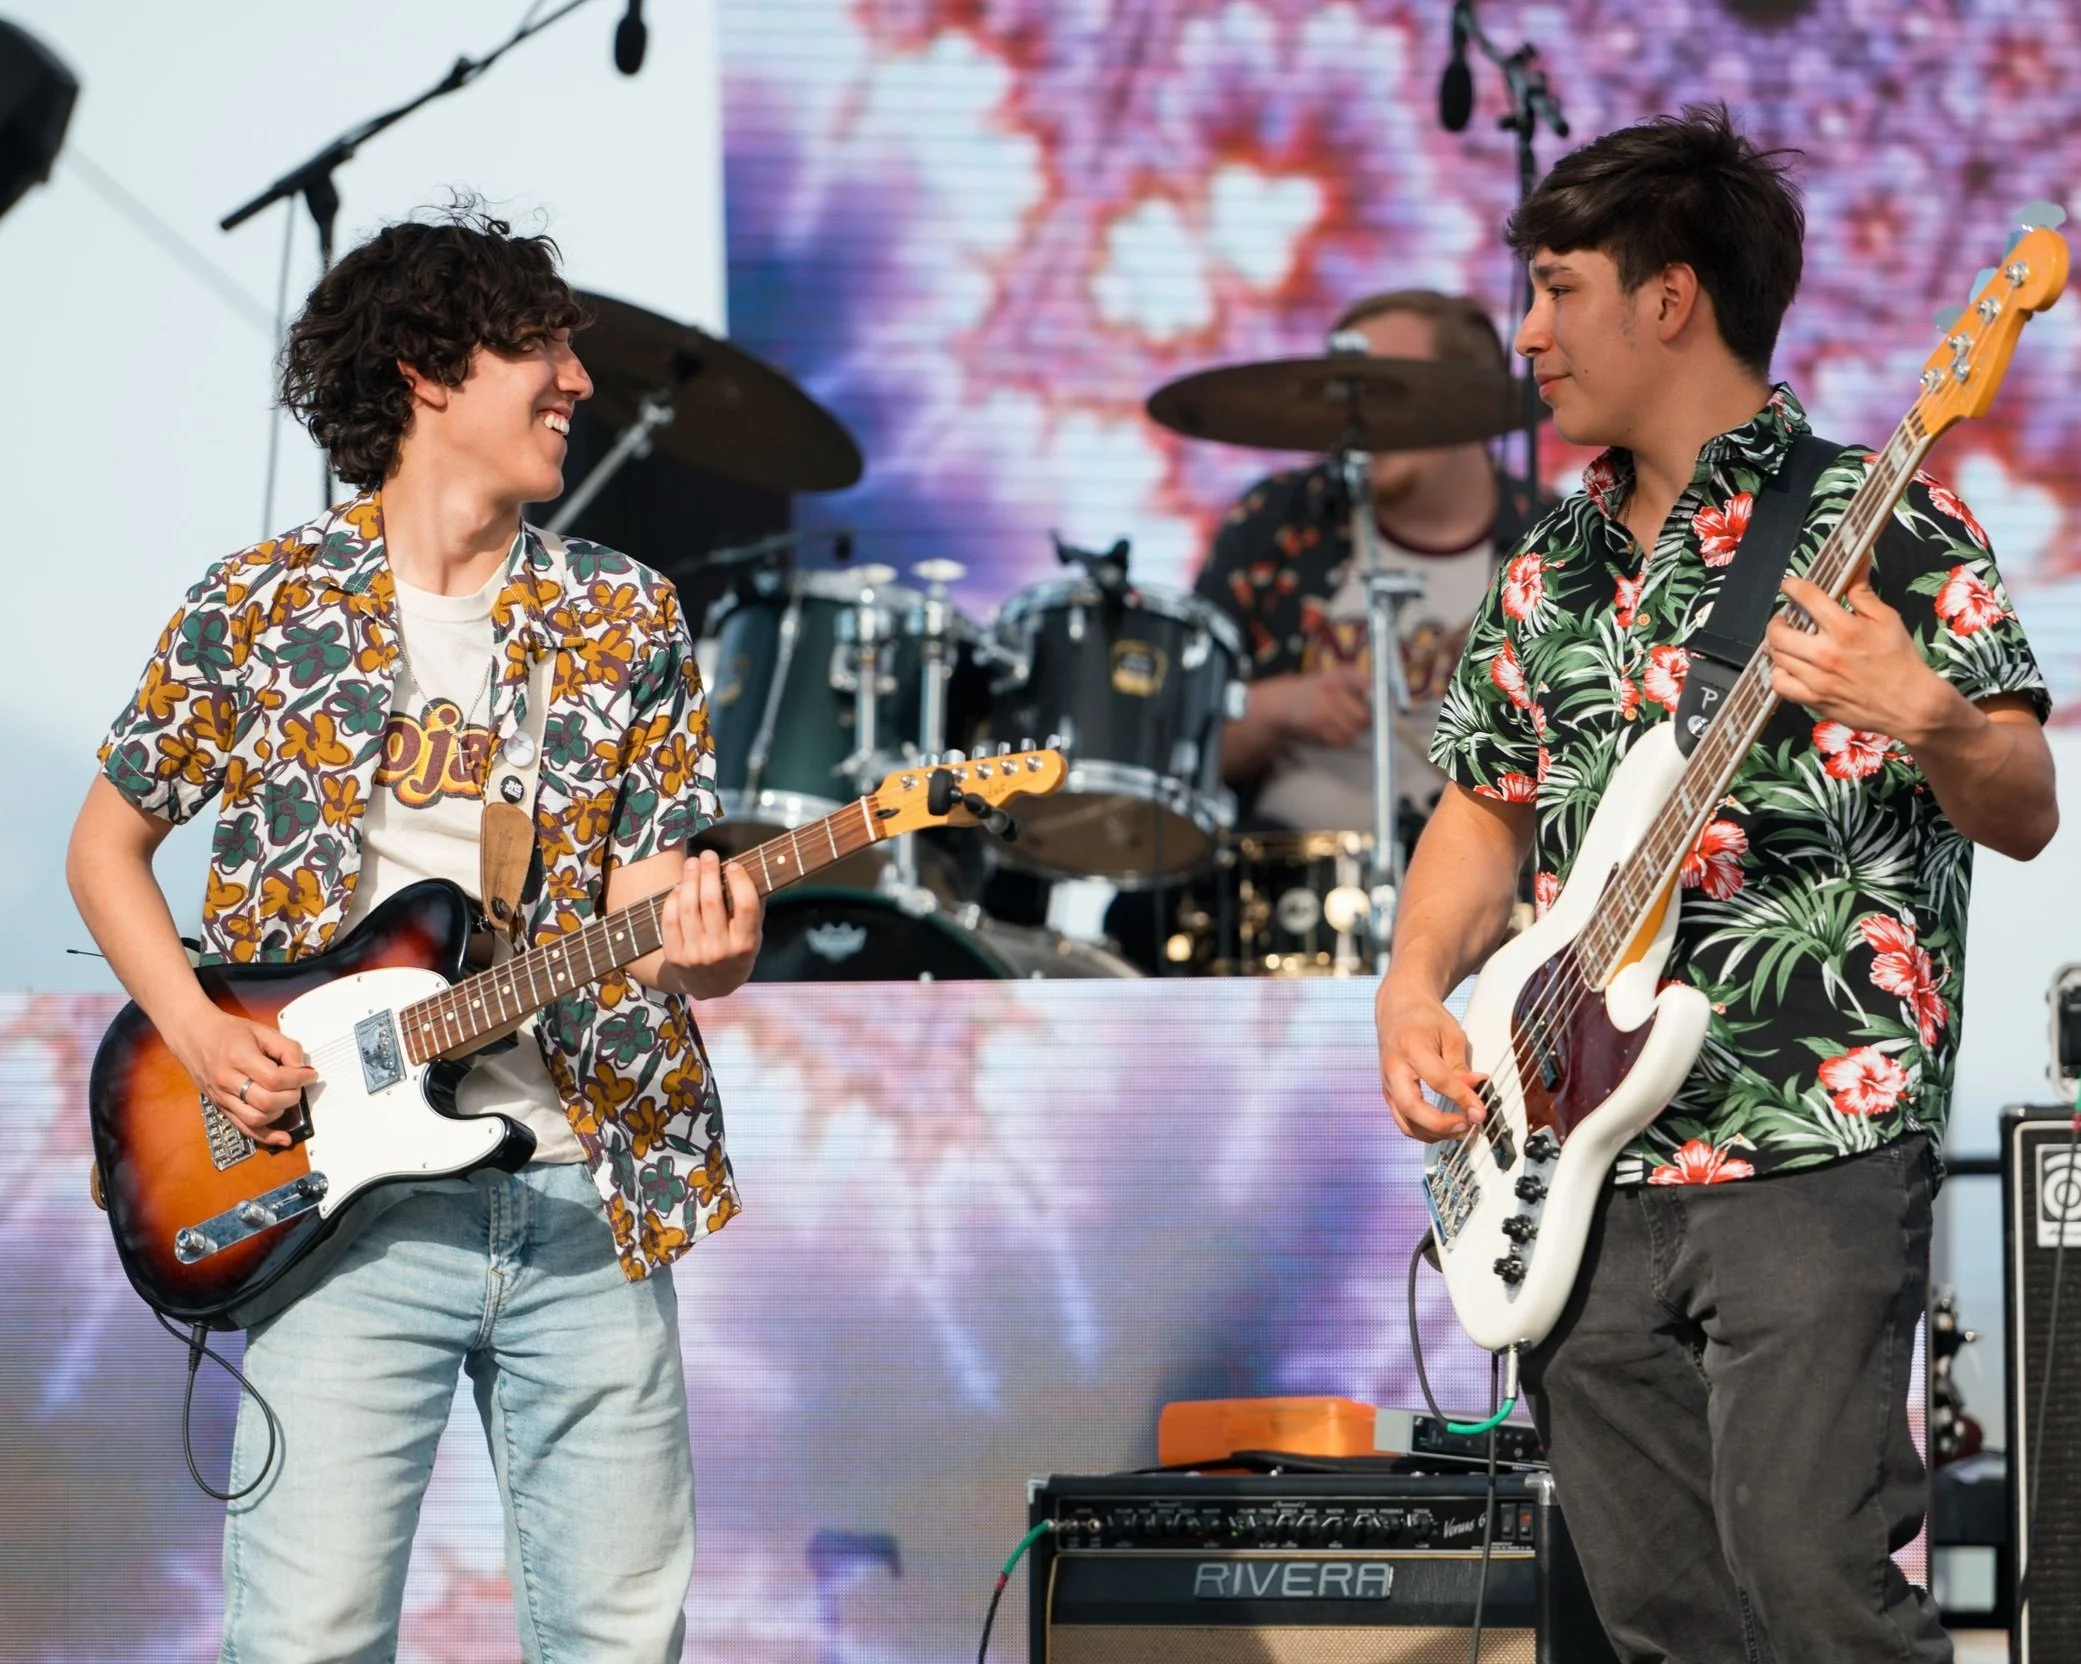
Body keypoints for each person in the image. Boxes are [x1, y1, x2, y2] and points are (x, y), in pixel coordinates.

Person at [1376, 106, 2055, 1662]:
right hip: (1573, 1158)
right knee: (1659, 1618)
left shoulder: (1888, 517)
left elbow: (2023, 807)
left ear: (1668, 297)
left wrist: (1932, 716)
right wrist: (1412, 986)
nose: (1527, 334)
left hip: (1809, 1132)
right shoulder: (1546, 567)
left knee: (1815, 1597)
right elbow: (1482, 813)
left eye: (1557, 290)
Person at [66, 209, 762, 1663]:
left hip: (585, 1195)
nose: (578, 379)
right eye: (541, 345)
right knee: (310, 1637)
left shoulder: (624, 616)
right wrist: (202, 1036)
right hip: (338, 1202)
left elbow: (654, 920)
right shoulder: (260, 605)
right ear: (428, 370)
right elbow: (105, 847)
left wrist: (705, 950)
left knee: (621, 1640)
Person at [1195, 288, 1530, 843]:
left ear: (1472, 401)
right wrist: (1281, 706)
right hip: (1289, 871)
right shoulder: (1280, 522)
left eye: (1386, 390)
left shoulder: (1555, 543)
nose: (1356, 416)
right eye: (1344, 395)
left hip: (1492, 876)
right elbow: (1172, 745)